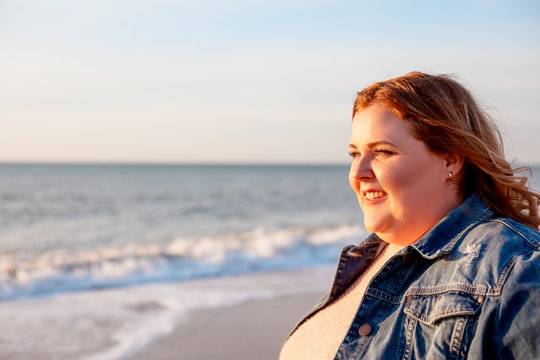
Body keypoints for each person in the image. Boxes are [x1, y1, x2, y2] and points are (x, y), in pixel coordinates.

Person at [279, 71, 540, 359]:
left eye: (382, 152)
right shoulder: (369, 260)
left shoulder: (514, 266)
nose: (358, 172)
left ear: (450, 159)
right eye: (355, 154)